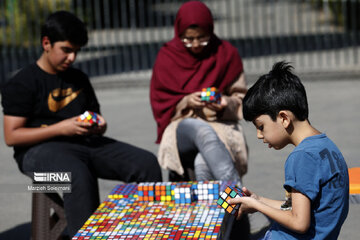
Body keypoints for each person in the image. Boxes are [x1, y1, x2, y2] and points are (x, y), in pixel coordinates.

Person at [1, 11, 162, 237]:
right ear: (46, 43)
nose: (72, 58)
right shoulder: (23, 83)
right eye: (66, 50)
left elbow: (96, 118)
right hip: (35, 156)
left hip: (84, 144)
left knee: (146, 164)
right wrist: (62, 128)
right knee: (76, 174)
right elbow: (12, 137)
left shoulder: (79, 79)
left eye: (76, 51)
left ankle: (144, 232)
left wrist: (99, 125)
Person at [229, 61, 349, 239]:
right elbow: (299, 208)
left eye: (261, 126)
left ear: (284, 118)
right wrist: (257, 201)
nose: (259, 135)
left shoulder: (302, 157)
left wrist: (259, 207)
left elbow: (299, 222)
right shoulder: (327, 147)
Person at [150, 1, 248, 183]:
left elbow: (241, 98)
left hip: (220, 122)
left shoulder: (226, 54)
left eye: (202, 38)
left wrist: (225, 103)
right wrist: (186, 101)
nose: (195, 44)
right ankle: (239, 196)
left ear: (211, 31)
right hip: (183, 124)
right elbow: (160, 102)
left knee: (202, 162)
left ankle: (222, 208)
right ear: (179, 33)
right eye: (188, 39)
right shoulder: (167, 57)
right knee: (203, 131)